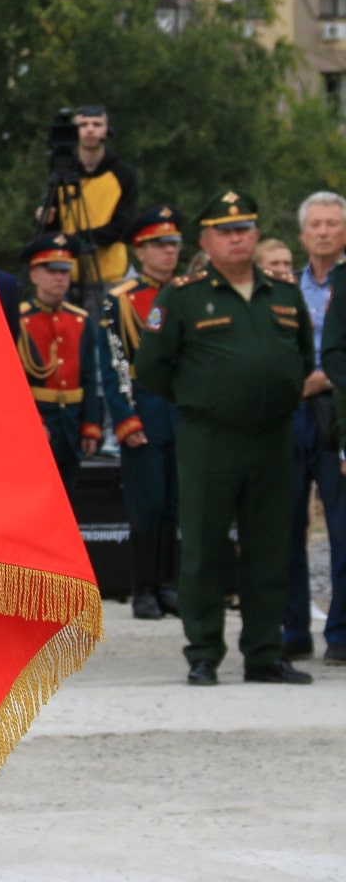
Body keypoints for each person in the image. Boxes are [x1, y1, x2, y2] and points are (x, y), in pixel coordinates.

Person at [137, 190, 313, 686]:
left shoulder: (283, 293)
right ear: (205, 240)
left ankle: (264, 653)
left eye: (245, 229)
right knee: (204, 547)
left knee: (269, 547)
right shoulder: (184, 295)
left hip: (273, 437)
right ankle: (203, 652)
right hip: (210, 437)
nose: (238, 238)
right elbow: (152, 367)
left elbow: (302, 357)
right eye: (225, 231)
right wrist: (202, 398)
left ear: (257, 235)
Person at [103, 206, 185, 620]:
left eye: (173, 244)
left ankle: (168, 584)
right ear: (140, 251)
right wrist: (124, 417)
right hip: (144, 404)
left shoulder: (187, 292)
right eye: (159, 245)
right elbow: (113, 362)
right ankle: (144, 589)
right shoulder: (120, 300)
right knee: (147, 502)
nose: (169, 252)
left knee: (175, 502)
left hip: (182, 408)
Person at [16, 234, 140, 506]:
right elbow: (15, 382)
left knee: (68, 501)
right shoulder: (22, 319)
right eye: (51, 271)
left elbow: (88, 376)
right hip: (41, 420)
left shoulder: (80, 320)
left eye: (64, 271)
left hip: (71, 421)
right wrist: (34, 422)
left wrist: (91, 426)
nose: (59, 278)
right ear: (35, 274)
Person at [295, 191, 346, 664]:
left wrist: (324, 378)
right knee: (287, 523)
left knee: (341, 525)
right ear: (303, 234)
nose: (325, 231)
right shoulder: (286, 287)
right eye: (317, 224)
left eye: (333, 223)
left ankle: (341, 634)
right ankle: (292, 631)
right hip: (291, 411)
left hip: (337, 408)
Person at [37, 105, 139, 287]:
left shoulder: (122, 173)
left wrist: (79, 240)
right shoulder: (61, 170)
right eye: (83, 125)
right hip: (67, 274)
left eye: (97, 124)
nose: (90, 130)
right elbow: (55, 223)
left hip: (110, 274)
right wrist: (46, 219)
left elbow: (124, 225)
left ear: (108, 131)